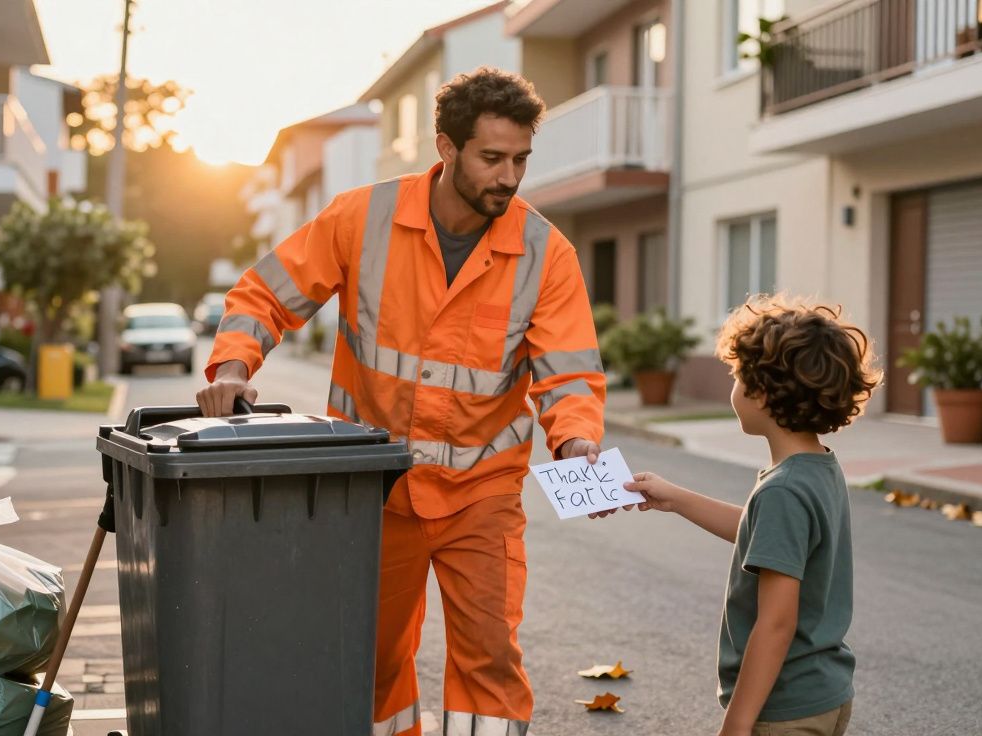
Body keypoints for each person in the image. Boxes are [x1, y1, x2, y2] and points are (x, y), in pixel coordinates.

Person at [196, 67, 606, 735]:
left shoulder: (544, 253)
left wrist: (577, 438)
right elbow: (264, 294)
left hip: (482, 492)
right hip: (372, 489)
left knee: (490, 660)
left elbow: (568, 373)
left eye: (521, 160)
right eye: (492, 158)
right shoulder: (364, 218)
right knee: (371, 657)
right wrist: (234, 368)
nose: (509, 176)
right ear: (446, 149)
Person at [619, 295, 881, 736]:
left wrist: (737, 723)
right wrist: (675, 497)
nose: (734, 387)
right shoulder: (818, 468)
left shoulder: (783, 490)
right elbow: (766, 536)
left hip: (784, 708)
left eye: (738, 376)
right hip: (825, 693)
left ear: (762, 392)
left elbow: (776, 623)